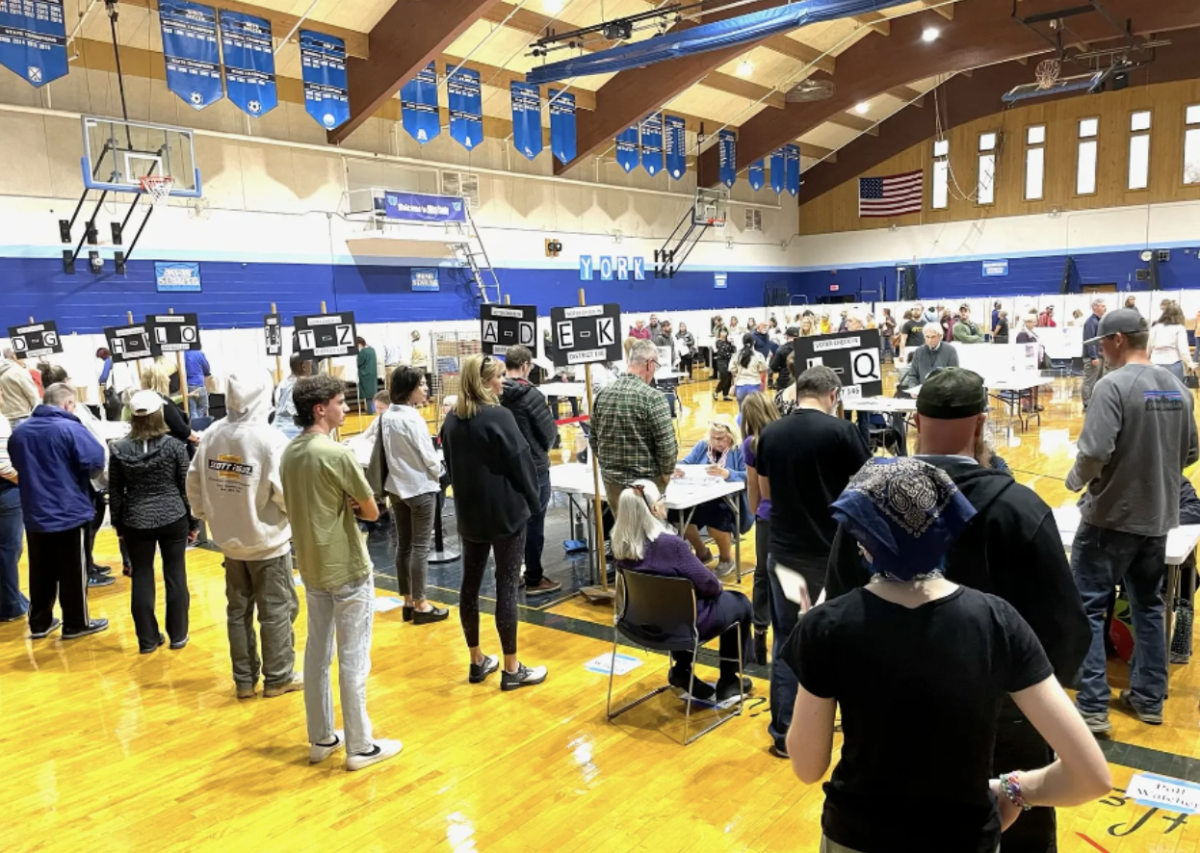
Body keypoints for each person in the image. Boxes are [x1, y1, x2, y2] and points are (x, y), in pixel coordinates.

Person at [788, 457, 1111, 853]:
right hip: (965, 837)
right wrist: (1015, 789)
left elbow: (806, 766)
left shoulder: (826, 627)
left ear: (863, 540)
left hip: (856, 836)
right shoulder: (997, 621)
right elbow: (1092, 776)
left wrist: (810, 639)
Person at [826, 368, 1091, 851]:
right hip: (1003, 726)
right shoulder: (1021, 509)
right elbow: (1066, 632)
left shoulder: (868, 507)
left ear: (915, 422)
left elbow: (841, 616)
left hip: (887, 725)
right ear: (981, 423)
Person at [1068, 309, 1198, 732]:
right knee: (1148, 607)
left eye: (1102, 343)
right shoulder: (1179, 388)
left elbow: (1093, 452)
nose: (1101, 352)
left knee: (1087, 608)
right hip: (1157, 520)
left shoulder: (1112, 386)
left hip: (1108, 521)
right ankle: (1148, 700)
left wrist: (1075, 481)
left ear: (1118, 340)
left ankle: (1091, 707)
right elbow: (1192, 452)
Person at [280, 374, 399, 770]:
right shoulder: (336, 454)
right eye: (339, 402)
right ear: (320, 408)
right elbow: (371, 510)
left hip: (311, 566)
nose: (346, 407)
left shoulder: (290, 453)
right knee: (353, 658)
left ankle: (321, 737)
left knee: (317, 652)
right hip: (346, 565)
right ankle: (361, 746)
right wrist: (350, 503)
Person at [755, 366, 870, 758]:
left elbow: (766, 495)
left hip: (783, 554)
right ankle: (851, 727)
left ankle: (785, 731)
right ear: (834, 395)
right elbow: (866, 487)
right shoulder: (842, 432)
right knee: (845, 641)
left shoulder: (770, 434)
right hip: (830, 558)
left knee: (787, 641)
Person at [187, 370, 302, 696]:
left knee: (237, 612)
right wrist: (292, 519)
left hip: (229, 542)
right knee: (277, 610)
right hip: (266, 543)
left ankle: (244, 680)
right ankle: (279, 676)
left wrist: (208, 514)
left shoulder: (211, 435)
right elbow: (284, 492)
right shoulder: (270, 439)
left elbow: (193, 481)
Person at [441, 354, 547, 691]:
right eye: (500, 376)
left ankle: (476, 660)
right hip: (505, 514)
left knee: (469, 586)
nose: (504, 381)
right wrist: (533, 502)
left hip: (469, 514)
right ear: (486, 381)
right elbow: (521, 463)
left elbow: (449, 465)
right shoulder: (499, 416)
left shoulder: (452, 420)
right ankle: (512, 668)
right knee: (505, 587)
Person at [613, 480, 754, 707]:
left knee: (673, 605)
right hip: (681, 624)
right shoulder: (670, 545)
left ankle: (682, 669)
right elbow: (710, 585)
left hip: (637, 622)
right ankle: (729, 679)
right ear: (653, 510)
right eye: (661, 500)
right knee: (740, 603)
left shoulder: (620, 545)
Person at [8, 383, 109, 640]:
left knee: (40, 570)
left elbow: (17, 463)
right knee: (74, 571)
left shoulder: (20, 432)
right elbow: (96, 460)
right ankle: (76, 623)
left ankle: (39, 622)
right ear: (67, 404)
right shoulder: (71, 428)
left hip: (34, 511)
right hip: (69, 510)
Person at [110, 391, 199, 653]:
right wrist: (194, 523)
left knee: (142, 576)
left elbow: (116, 491)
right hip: (173, 516)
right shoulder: (174, 446)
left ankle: (148, 640)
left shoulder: (118, 449)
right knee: (175, 575)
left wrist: (118, 526)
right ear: (159, 414)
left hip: (136, 519)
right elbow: (186, 488)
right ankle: (179, 634)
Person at [378, 366, 452, 622]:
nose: (425, 389)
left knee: (404, 545)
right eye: (421, 384)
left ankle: (408, 600)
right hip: (419, 488)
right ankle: (421, 603)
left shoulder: (387, 416)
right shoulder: (412, 418)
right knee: (420, 547)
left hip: (397, 488)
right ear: (409, 389)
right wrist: (441, 472)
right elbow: (428, 456)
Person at [499, 346, 562, 596]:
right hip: (534, 467)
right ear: (525, 365)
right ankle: (534, 577)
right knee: (535, 522)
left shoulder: (494, 393)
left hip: (504, 469)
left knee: (510, 524)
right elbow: (549, 434)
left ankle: (512, 574)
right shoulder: (531, 395)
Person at [590, 339, 677, 509]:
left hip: (612, 481)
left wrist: (609, 467)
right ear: (650, 364)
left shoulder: (603, 394)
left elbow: (594, 439)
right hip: (647, 483)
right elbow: (666, 445)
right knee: (649, 532)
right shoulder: (653, 397)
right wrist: (666, 474)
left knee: (625, 532)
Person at [672, 417, 751, 578]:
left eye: (720, 438)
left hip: (728, 501)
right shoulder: (703, 445)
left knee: (717, 516)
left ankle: (726, 558)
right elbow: (687, 462)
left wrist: (729, 473)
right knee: (675, 514)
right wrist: (679, 469)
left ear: (731, 435)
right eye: (713, 438)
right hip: (700, 496)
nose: (716, 442)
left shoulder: (740, 449)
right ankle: (702, 552)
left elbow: (749, 475)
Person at [740, 392, 779, 665]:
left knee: (762, 575)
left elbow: (753, 487)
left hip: (767, 514)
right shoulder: (786, 436)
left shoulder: (751, 444)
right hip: (792, 515)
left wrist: (755, 512)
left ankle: (759, 637)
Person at [892, 323, 960, 456]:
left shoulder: (950, 351)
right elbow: (912, 375)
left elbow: (955, 375)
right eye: (926, 337)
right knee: (924, 433)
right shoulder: (919, 351)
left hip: (943, 399)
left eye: (933, 337)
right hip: (923, 397)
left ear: (940, 336)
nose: (929, 340)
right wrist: (913, 389)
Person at [0, 383, 27, 622]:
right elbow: (3, 466)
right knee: (9, 549)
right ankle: (10, 604)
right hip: (5, 491)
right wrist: (25, 482)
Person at [142, 362, 198, 448]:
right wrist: (198, 438)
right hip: (173, 449)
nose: (169, 379)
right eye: (166, 377)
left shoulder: (143, 401)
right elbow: (182, 429)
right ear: (162, 380)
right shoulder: (163, 403)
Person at [1148, 301, 1191, 382]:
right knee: (1173, 392)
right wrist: (1189, 363)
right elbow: (1183, 350)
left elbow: (1148, 348)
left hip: (1154, 362)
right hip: (1173, 364)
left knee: (1154, 392)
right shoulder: (1179, 328)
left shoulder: (1155, 327)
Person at [273, 354, 311, 440]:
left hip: (278, 433)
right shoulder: (304, 385)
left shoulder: (282, 383)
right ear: (303, 366)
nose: (311, 368)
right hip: (296, 435)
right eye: (310, 365)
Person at [0, 349, 39, 428]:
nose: (24, 360)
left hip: (5, 419)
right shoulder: (18, 371)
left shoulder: (2, 371)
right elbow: (33, 395)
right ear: (13, 356)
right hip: (22, 417)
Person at [1081, 298, 1107, 408]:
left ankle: (1094, 401)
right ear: (1095, 307)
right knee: (1089, 381)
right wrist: (1093, 357)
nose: (1104, 308)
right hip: (1093, 357)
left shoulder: (1099, 321)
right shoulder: (1091, 322)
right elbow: (1089, 341)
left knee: (1098, 381)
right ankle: (1087, 403)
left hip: (1100, 356)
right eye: (1102, 306)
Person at [732, 334, 768, 408]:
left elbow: (732, 369)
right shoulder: (759, 355)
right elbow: (763, 369)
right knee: (754, 412)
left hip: (740, 386)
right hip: (754, 385)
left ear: (743, 342)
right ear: (754, 342)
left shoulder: (736, 355)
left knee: (741, 411)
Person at [183, 348, 212, 418]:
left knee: (192, 410)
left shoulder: (183, 354)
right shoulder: (199, 353)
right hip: (199, 384)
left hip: (188, 386)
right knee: (204, 406)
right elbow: (206, 368)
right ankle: (196, 425)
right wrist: (207, 373)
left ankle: (194, 424)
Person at [711, 329, 735, 402]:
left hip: (729, 360)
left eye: (725, 331)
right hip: (721, 360)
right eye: (722, 331)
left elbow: (733, 350)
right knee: (725, 375)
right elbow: (721, 349)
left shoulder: (729, 342)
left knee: (729, 377)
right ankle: (716, 391)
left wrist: (732, 343)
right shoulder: (718, 341)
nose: (723, 333)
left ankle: (725, 394)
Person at [355, 337, 378, 412]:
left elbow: (359, 363)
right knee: (372, 393)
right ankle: (374, 409)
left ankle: (370, 410)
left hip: (365, 374)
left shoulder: (363, 352)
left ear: (359, 344)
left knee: (367, 394)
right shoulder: (372, 349)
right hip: (373, 373)